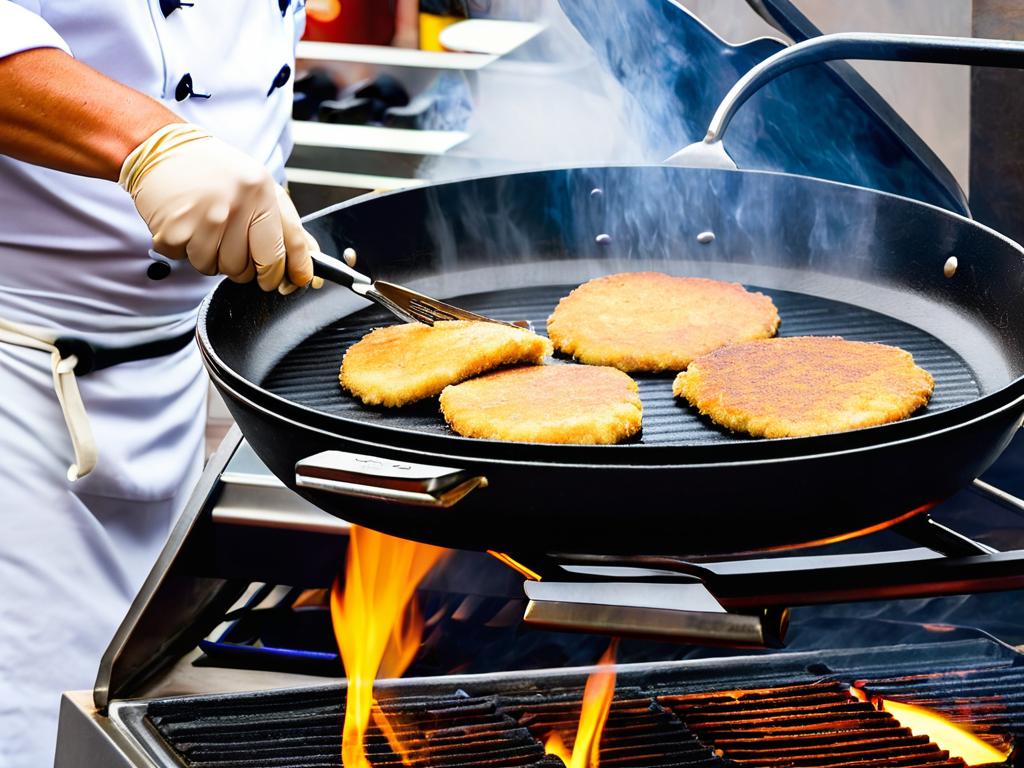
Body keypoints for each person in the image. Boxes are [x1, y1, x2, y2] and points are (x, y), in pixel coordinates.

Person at [0, 2, 319, 765]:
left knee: (132, 703)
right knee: (37, 722)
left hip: (173, 369)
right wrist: (151, 143)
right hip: (17, 371)